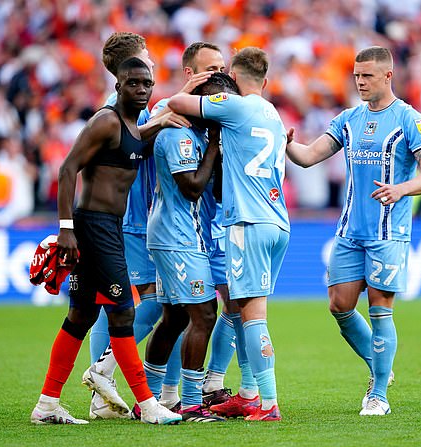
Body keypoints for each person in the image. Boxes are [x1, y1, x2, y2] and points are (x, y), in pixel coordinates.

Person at [285, 46, 421, 416]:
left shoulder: (410, 119)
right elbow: (308, 157)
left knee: (380, 308)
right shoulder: (349, 119)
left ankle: (378, 396)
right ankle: (381, 370)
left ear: (388, 76)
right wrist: (287, 143)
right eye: (356, 75)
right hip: (349, 232)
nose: (360, 82)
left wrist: (401, 189)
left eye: (367, 76)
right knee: (339, 305)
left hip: (387, 232)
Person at [30, 57, 182, 426]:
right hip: (94, 227)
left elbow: (132, 143)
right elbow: (68, 168)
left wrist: (161, 122)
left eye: (147, 83)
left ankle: (47, 405)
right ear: (118, 86)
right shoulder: (106, 120)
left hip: (105, 226)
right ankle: (147, 404)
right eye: (133, 83)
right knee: (122, 313)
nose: (142, 89)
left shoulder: (129, 125)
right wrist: (66, 228)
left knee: (80, 316)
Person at [169, 47, 291, 421]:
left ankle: (267, 403)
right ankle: (248, 393)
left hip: (247, 224)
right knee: (238, 310)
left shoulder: (235, 106)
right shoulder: (272, 113)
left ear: (233, 81)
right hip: (278, 222)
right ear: (266, 81)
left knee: (253, 317)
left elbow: (176, 101)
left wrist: (194, 83)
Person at [82, 32, 196, 419]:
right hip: (134, 218)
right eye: (146, 57)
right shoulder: (125, 107)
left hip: (129, 216)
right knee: (161, 302)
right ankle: (106, 375)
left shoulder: (125, 103)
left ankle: (129, 393)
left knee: (117, 305)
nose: (151, 62)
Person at [142, 72, 239, 423]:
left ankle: (149, 400)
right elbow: (192, 187)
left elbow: (214, 191)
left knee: (175, 318)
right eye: (215, 106)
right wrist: (214, 144)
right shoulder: (179, 135)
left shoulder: (194, 133)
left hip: (181, 235)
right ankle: (194, 404)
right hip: (178, 238)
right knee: (204, 315)